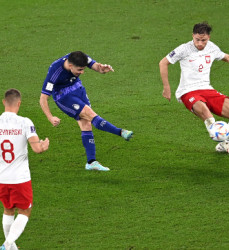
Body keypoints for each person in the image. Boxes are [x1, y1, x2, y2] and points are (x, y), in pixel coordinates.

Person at [159, 22, 229, 158]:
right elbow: (163, 62)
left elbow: (228, 58)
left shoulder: (211, 48)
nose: (199, 43)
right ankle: (226, 144)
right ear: (192, 36)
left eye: (203, 40)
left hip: (207, 89)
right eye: (197, 39)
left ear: (208, 37)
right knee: (205, 112)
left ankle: (223, 144)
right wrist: (166, 88)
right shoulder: (183, 49)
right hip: (188, 92)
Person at [40, 51, 133, 171]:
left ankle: (91, 161)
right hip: (63, 96)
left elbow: (95, 66)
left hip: (77, 88)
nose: (82, 72)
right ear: (70, 66)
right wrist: (50, 117)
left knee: (87, 123)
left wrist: (101, 69)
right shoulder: (55, 71)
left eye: (83, 69)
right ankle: (120, 132)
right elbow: (43, 98)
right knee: (90, 114)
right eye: (79, 70)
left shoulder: (80, 57)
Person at [0, 89, 49, 250]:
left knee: (8, 209)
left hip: (1, 177)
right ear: (19, 103)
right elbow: (37, 149)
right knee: (25, 211)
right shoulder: (24, 122)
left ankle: (11, 247)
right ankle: (7, 245)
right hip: (20, 178)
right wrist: (43, 145)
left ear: (3, 102)